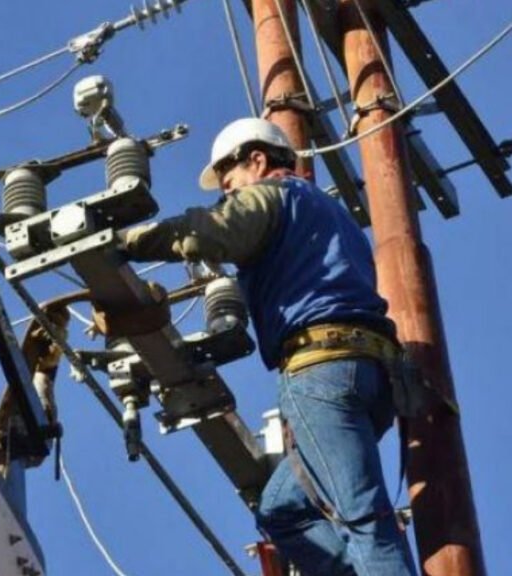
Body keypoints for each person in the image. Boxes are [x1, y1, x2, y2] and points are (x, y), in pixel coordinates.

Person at [120, 118, 416, 575]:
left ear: (257, 160)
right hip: (372, 376)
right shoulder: (328, 213)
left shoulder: (273, 196)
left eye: (229, 180)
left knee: (363, 518)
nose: (226, 193)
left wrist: (124, 242)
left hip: (321, 370)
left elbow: (212, 231)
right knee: (283, 511)